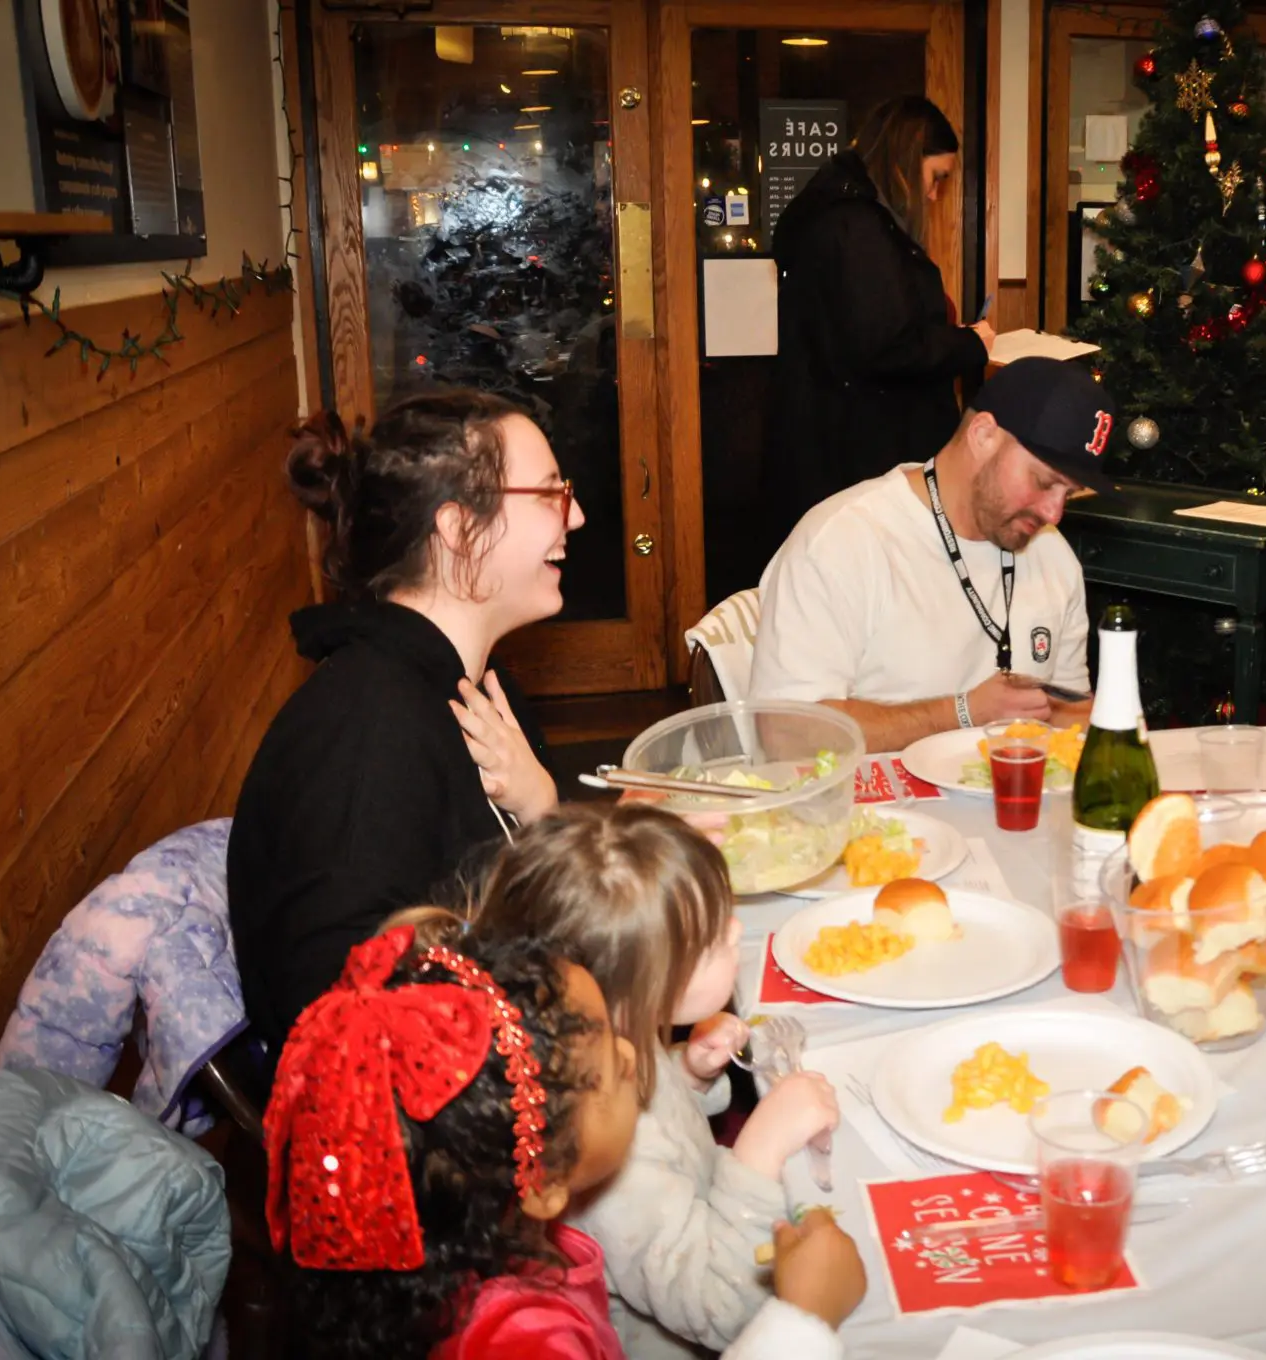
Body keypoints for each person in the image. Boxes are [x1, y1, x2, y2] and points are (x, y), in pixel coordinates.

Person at [266, 924, 864, 1360]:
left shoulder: (481, 1217)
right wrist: (803, 1319)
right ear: (546, 1182)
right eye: (610, 1066)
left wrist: (680, 1079)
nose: (633, 1053)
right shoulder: (522, 1344)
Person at [230, 390, 582, 1050]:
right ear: (458, 528)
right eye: (547, 495)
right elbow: (339, 1020)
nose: (576, 515)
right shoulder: (366, 730)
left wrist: (550, 813)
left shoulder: (468, 685)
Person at [446, 804, 840, 1360]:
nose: (735, 930)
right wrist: (760, 1148)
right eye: (711, 942)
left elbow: (668, 1135)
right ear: (639, 985)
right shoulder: (606, 1159)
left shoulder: (606, 1038)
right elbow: (720, 1308)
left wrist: (687, 1074)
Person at [750, 357, 1117, 752]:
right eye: (1044, 482)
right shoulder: (844, 541)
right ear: (982, 434)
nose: (1053, 513)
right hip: (863, 810)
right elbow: (785, 735)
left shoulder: (1052, 555)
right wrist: (960, 713)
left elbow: (1069, 717)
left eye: (1070, 494)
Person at [762, 95, 994, 552]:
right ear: (907, 162)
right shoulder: (859, 227)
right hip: (862, 451)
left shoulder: (834, 217)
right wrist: (969, 344)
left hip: (832, 442)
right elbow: (887, 345)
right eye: (936, 178)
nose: (933, 195)